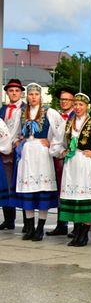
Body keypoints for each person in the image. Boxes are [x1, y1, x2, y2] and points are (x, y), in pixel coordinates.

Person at [50, 93, 91, 246]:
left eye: (81, 105)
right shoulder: (67, 124)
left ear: (87, 107)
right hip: (71, 164)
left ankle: (84, 234)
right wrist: (61, 151)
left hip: (86, 163)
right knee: (74, 197)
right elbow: (56, 142)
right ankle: (77, 232)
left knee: (85, 196)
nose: (78, 108)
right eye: (76, 105)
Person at [11, 83, 64, 241]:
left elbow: (61, 130)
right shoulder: (21, 112)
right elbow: (13, 131)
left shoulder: (49, 112)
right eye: (30, 94)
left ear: (41, 96)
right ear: (27, 96)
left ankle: (40, 228)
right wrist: (16, 142)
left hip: (42, 153)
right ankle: (30, 227)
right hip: (27, 153)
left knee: (42, 189)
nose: (33, 97)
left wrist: (52, 143)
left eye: (36, 94)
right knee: (28, 190)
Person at [46, 86, 77, 237]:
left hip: (73, 158)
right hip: (59, 157)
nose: (64, 102)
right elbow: (52, 135)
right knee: (61, 190)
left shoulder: (76, 116)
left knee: (74, 189)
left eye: (67, 99)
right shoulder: (57, 116)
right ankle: (61, 224)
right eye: (62, 99)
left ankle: (77, 225)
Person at [0, 79, 26, 231]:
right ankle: (9, 220)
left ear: (21, 92)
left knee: (21, 184)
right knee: (6, 184)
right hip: (4, 152)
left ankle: (26, 221)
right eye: (11, 91)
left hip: (19, 151)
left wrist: (20, 140)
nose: (14, 93)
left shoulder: (27, 109)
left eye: (16, 91)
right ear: (7, 93)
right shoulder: (2, 110)